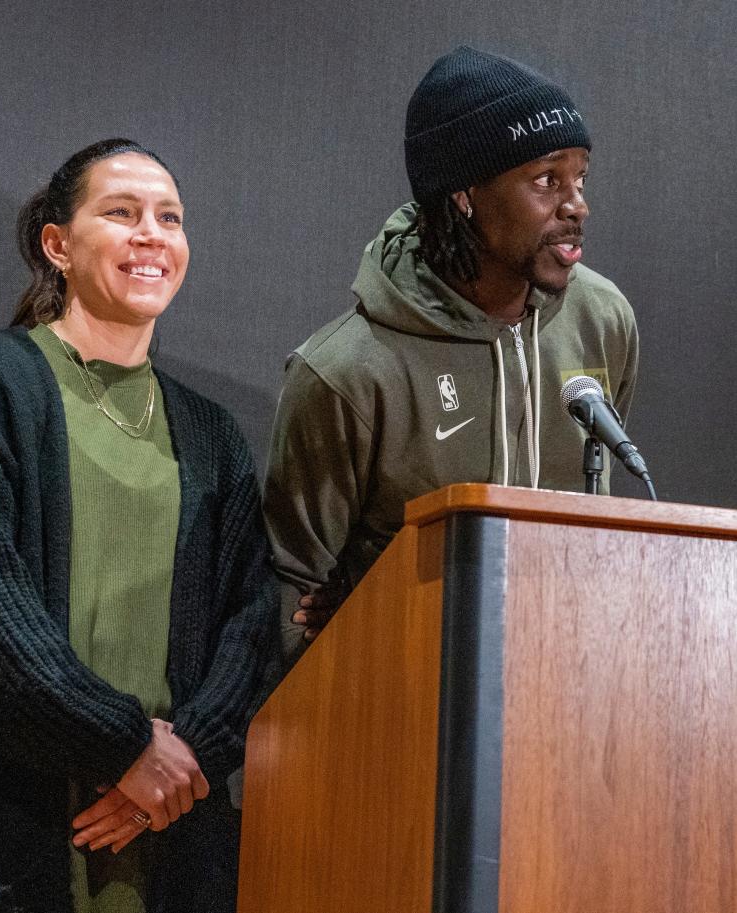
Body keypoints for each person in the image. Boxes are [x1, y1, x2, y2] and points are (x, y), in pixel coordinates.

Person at [0, 138, 278, 913]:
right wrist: (124, 745)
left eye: (169, 217)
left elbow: (249, 624)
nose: (153, 234)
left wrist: (181, 766)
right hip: (1, 839)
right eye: (122, 213)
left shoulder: (212, 434)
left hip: (166, 834)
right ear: (58, 245)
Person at [264, 46, 638, 663]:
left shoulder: (604, 320)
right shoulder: (344, 372)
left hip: (561, 691)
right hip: (398, 702)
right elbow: (290, 595)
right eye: (547, 180)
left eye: (581, 178)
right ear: (464, 195)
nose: (577, 205)